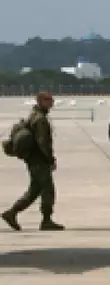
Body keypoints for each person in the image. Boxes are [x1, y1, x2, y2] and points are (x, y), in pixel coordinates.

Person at [1, 92, 63, 231]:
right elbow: (43, 142)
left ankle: (11, 213)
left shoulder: (34, 115)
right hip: (38, 159)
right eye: (48, 100)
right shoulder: (40, 119)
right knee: (48, 189)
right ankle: (46, 220)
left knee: (35, 190)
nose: (51, 102)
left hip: (34, 158)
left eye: (52, 99)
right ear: (40, 101)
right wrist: (50, 159)